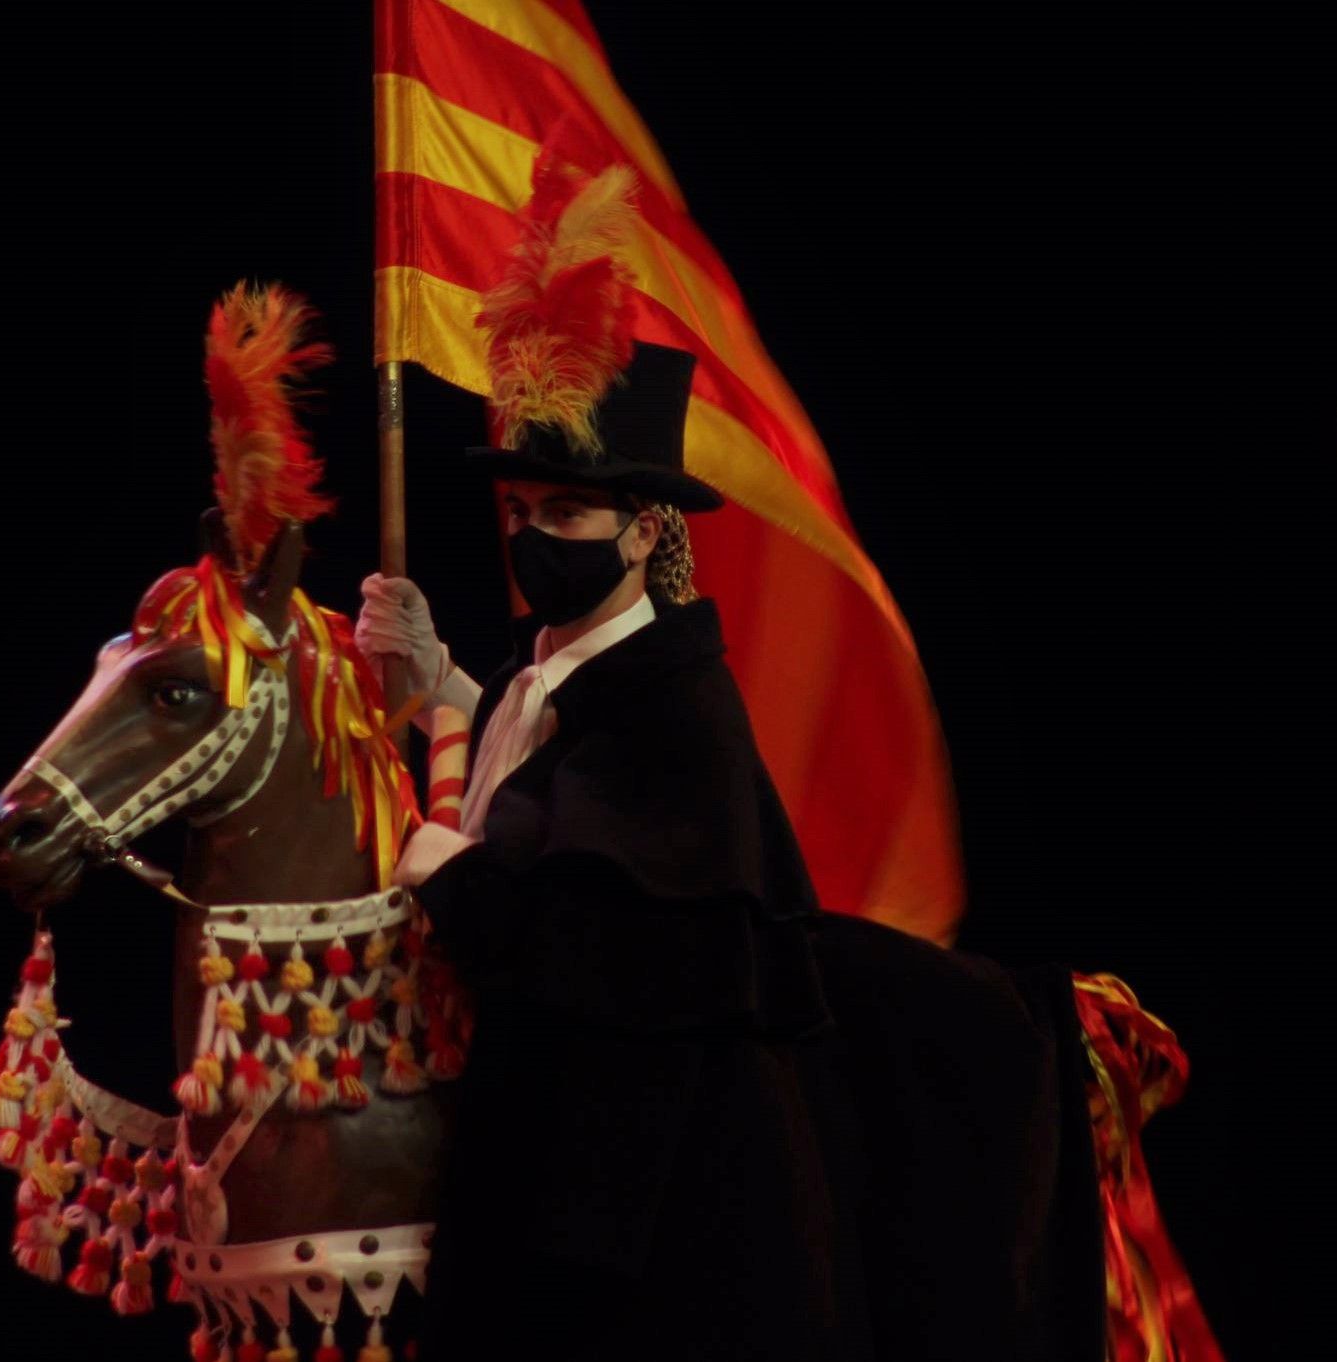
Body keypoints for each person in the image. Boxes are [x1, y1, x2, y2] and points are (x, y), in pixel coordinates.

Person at [355, 155, 1116, 1360]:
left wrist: (454, 878)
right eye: (517, 513)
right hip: (548, 1177)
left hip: (646, 1233)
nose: (532, 536)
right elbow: (533, 752)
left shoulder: (676, 708)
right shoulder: (550, 671)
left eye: (564, 514)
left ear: (647, 525)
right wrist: (441, 678)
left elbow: (614, 955)